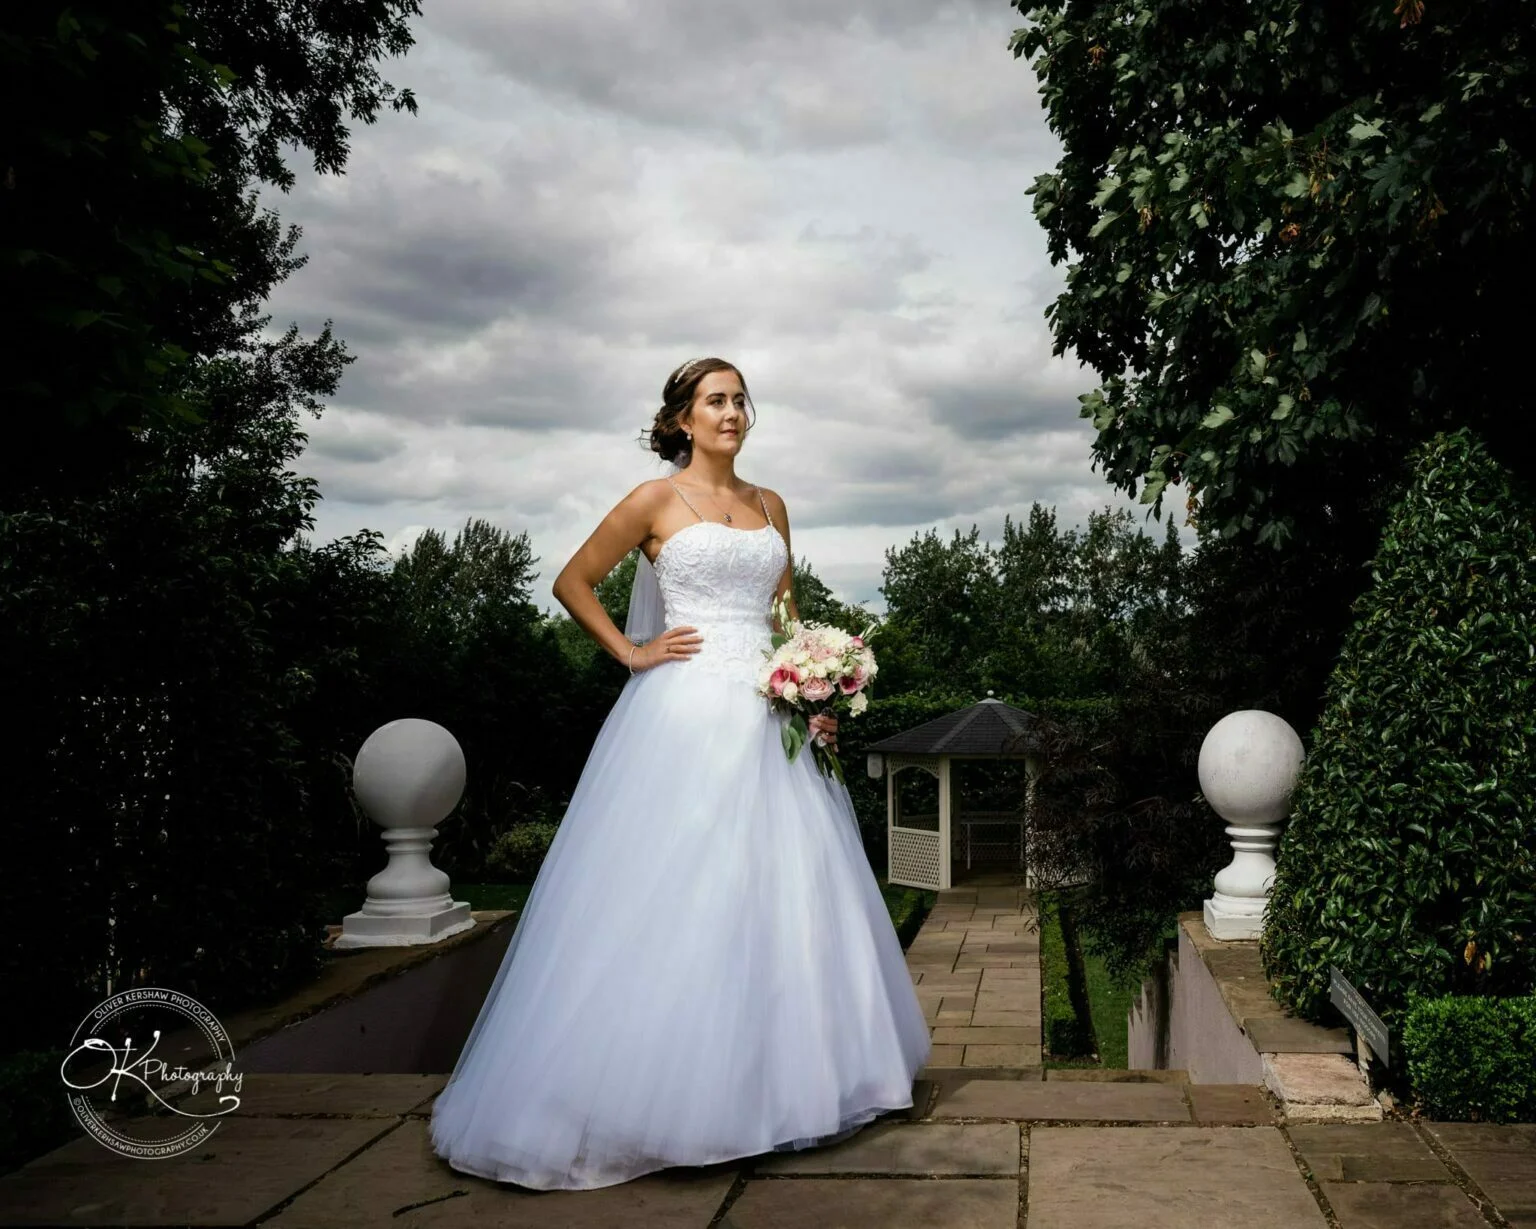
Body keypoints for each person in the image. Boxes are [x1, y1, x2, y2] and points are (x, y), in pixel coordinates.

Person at [428, 357, 932, 1190]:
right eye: (715, 401)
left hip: (770, 718)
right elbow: (573, 580)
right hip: (683, 717)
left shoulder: (772, 506)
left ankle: (782, 1090)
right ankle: (659, 1101)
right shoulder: (653, 500)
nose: (732, 412)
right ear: (682, 421)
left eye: (740, 400)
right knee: (680, 896)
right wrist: (631, 651)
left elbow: (784, 615)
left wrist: (814, 682)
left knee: (783, 901)